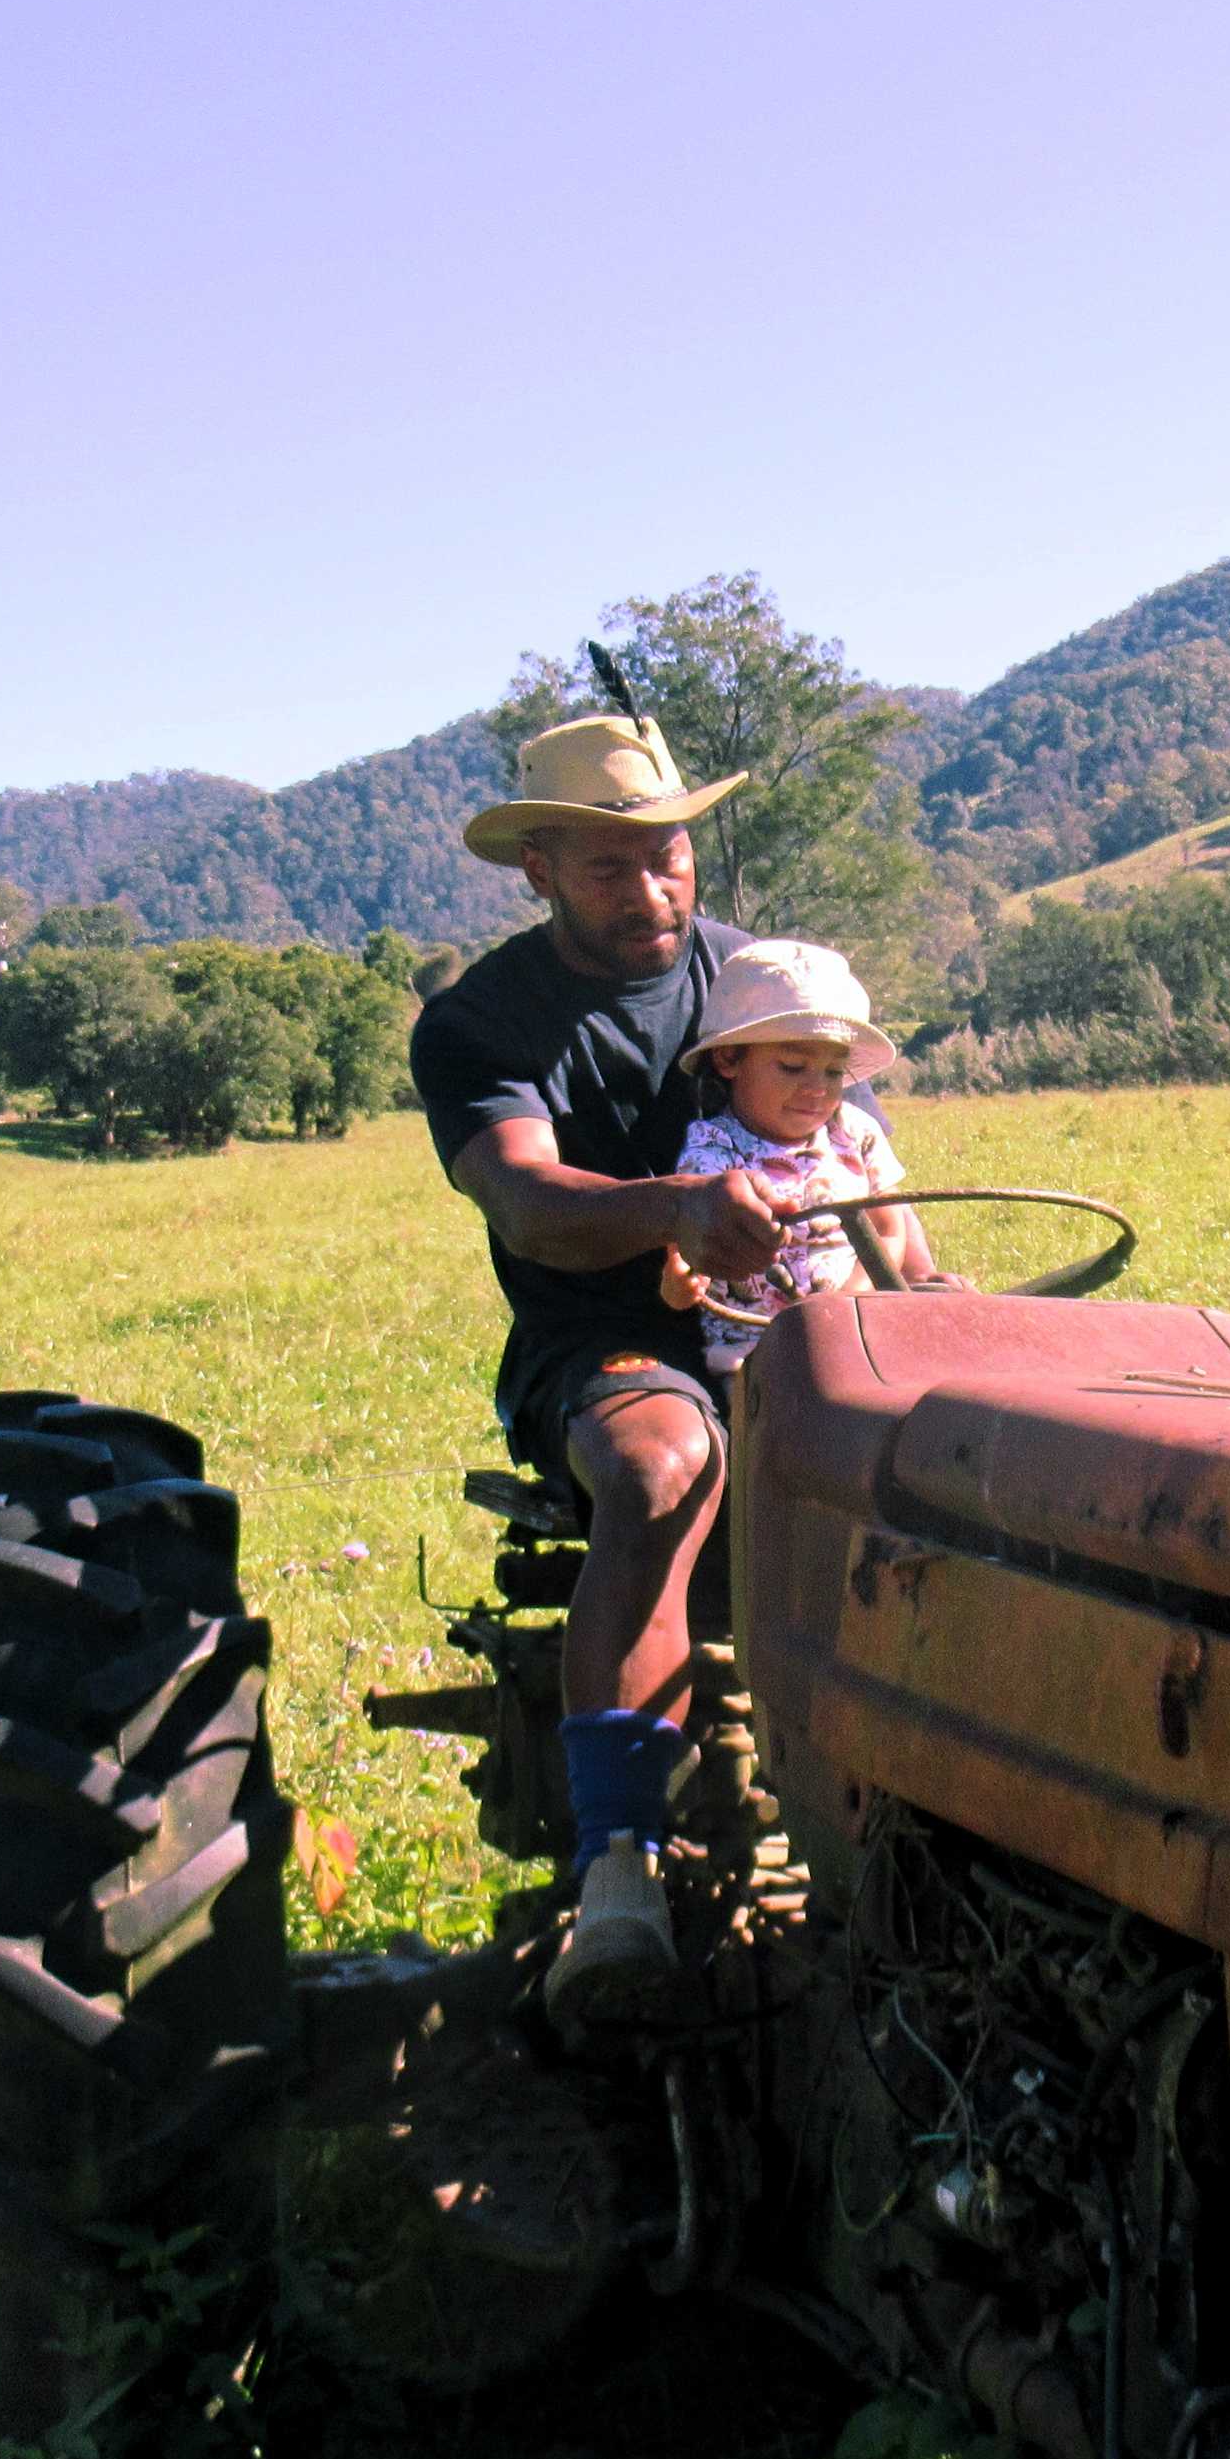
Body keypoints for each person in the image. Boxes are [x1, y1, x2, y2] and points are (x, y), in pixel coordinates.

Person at [409, 709, 822, 2021]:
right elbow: (529, 1203)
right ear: (537, 868)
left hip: (786, 1315)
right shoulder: (483, 1024)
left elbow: (842, 1132)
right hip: (604, 1339)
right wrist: (676, 1211)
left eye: (669, 855)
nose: (650, 889)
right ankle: (619, 1872)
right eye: (607, 865)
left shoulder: (757, 975)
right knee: (664, 1467)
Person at [659, 939, 942, 1372]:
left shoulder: (855, 1133)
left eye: (833, 1071)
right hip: (754, 1354)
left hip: (860, 1332)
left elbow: (889, 1227)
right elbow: (687, 1253)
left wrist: (846, 1302)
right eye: (792, 1067)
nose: (818, 1088)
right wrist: (680, 1286)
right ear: (729, 1059)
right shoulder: (713, 1150)